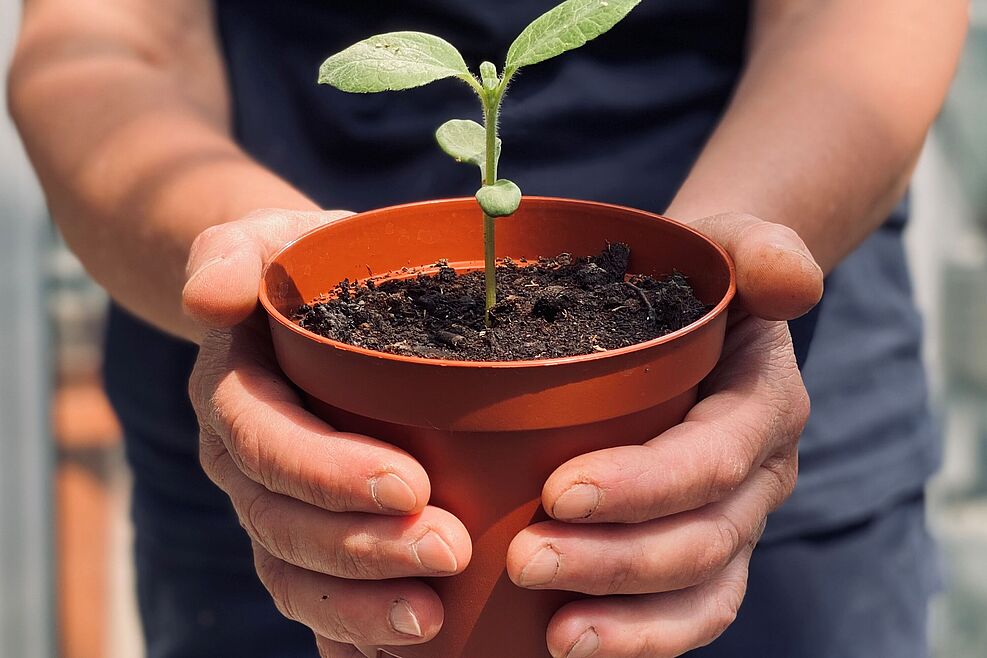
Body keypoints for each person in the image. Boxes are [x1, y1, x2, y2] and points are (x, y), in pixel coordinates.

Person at [8, 1, 967, 657]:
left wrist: (723, 278)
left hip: (755, 453)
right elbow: (102, 44)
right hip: (290, 480)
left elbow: (856, 21)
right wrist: (267, 276)